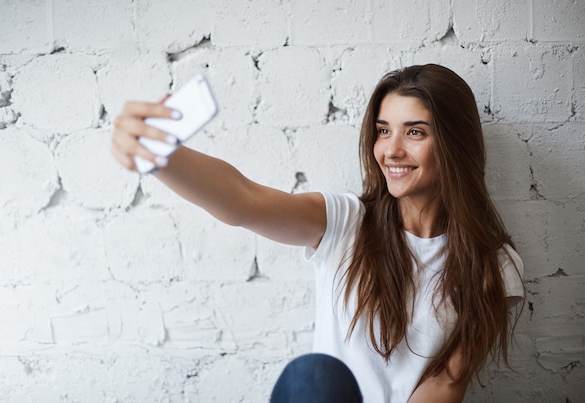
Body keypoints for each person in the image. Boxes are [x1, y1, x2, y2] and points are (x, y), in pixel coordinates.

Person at [111, 64, 525, 402]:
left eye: (414, 132)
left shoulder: (494, 264)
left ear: (454, 143)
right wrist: (159, 156)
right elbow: (244, 201)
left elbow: (446, 383)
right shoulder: (346, 221)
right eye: (383, 130)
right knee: (315, 376)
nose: (391, 150)